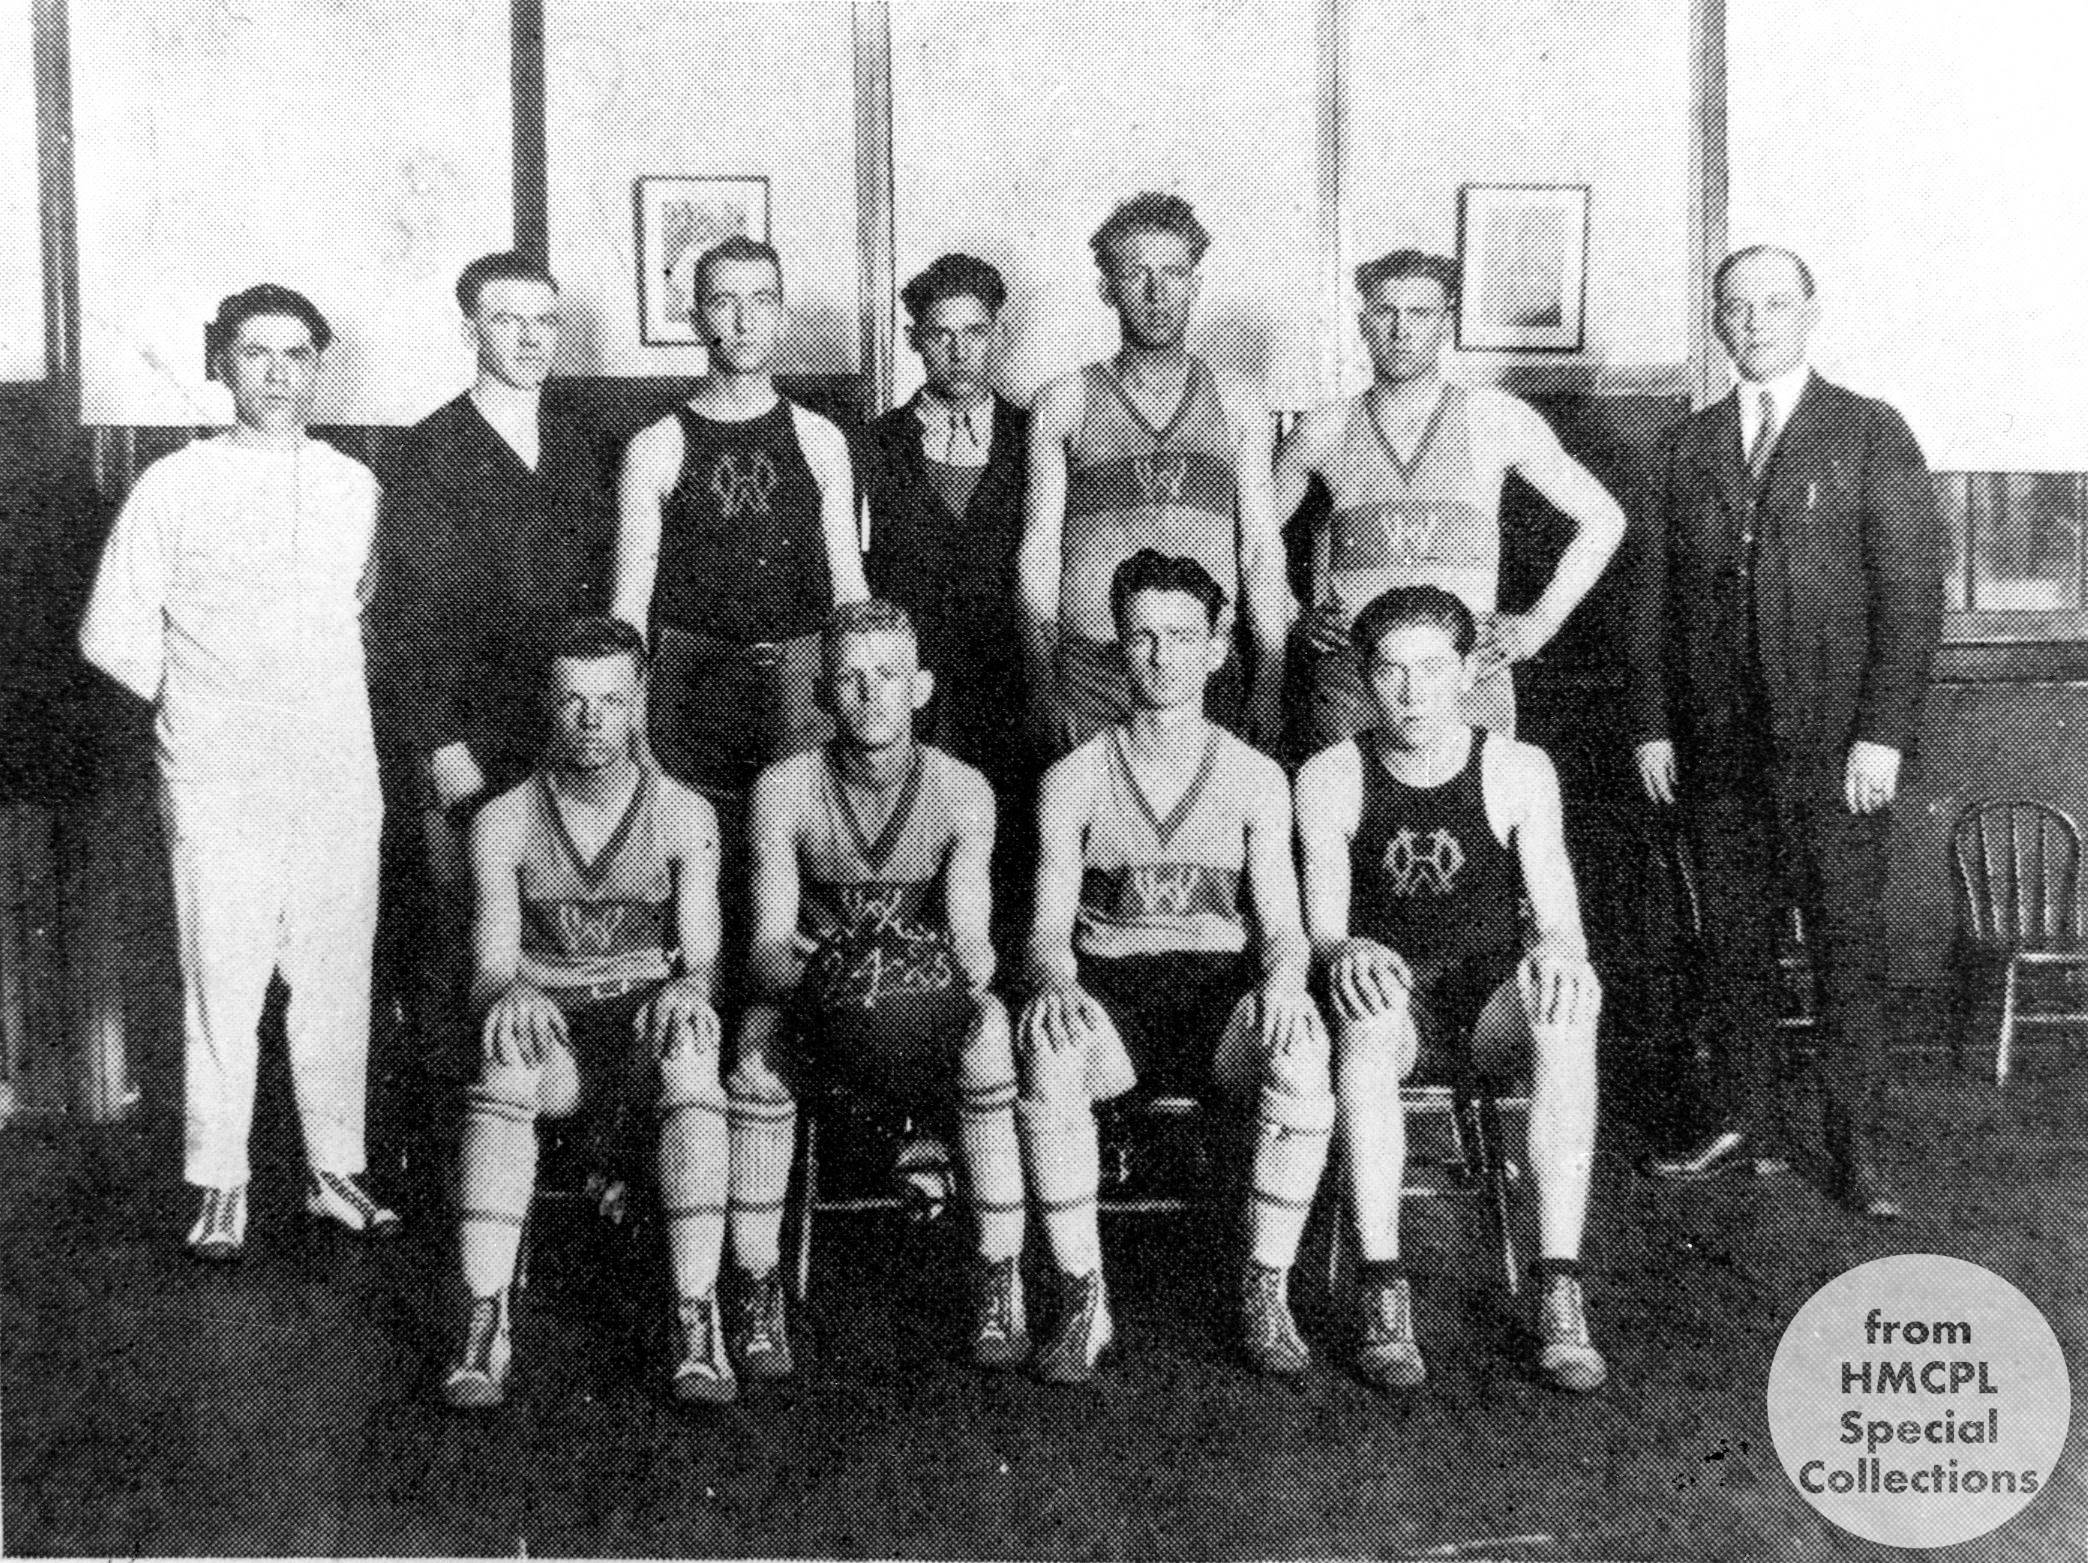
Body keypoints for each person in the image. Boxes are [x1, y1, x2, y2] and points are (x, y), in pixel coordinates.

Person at [79, 283, 400, 1259]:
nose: (277, 373)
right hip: (218, 777)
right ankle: (220, 1181)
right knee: (223, 980)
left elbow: (363, 621)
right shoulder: (172, 485)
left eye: (297, 354)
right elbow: (112, 632)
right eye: (256, 353)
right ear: (221, 363)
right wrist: (200, 710)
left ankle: (334, 1171)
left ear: (319, 367)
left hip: (335, 769)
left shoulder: (354, 486)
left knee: (335, 974)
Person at [1628, 245, 1945, 1220]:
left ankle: (1857, 1144)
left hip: (1837, 753)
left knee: (1847, 943)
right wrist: (1652, 726)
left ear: (1811, 313)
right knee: (1732, 943)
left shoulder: (1870, 431)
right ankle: (1743, 1119)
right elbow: (1651, 600)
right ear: (1717, 322)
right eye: (1736, 307)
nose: (1755, 322)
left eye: (1775, 304)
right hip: (1717, 750)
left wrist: (1882, 735)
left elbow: (1911, 598)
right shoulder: (1685, 447)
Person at [1016, 551, 1333, 1383]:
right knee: (1048, 1047)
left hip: (1219, 997)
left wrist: (1285, 983)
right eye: (1143, 637)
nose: (1162, 656)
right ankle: (1083, 1297)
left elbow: (1285, 929)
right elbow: (1046, 931)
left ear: (1218, 650)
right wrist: (1055, 980)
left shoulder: (1258, 779)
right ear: (1118, 649)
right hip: (1113, 997)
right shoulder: (1073, 778)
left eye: (1182, 637)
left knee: (1302, 1047)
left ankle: (1266, 1286)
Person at [1295, 586, 1605, 1394]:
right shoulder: (1329, 775)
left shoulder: (1519, 769)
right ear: (1364, 676)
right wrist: (1348, 946)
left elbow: (1561, 918)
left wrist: (1559, 954)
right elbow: (1323, 930)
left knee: (1567, 1008)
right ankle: (1384, 1287)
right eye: (1391, 671)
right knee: (1366, 1014)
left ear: (1468, 672)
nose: (1412, 692)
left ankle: (1559, 1286)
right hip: (1394, 1004)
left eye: (1433, 669)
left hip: (1487, 1006)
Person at [724, 599, 1023, 1376]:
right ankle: (755, 1281)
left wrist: (910, 978)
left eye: (888, 675)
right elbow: (765, 950)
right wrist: (848, 979)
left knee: (991, 1028)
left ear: (920, 687)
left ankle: (999, 1270)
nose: (870, 693)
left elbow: (975, 946)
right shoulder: (784, 788)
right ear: (822, 692)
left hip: (926, 1003)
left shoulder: (963, 790)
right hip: (816, 1001)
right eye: (850, 678)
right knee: (755, 1046)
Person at [440, 617, 731, 1408]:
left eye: (610, 700)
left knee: (692, 1046)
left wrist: (690, 987)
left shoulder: (683, 814)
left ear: (639, 701)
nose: (592, 720)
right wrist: (511, 991)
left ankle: (697, 1312)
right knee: (506, 1050)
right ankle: (484, 1318)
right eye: (573, 700)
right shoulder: (505, 819)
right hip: (556, 1031)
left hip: (641, 1028)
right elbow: (490, 968)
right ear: (549, 702)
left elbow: (704, 960)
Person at [372, 252, 611, 1161]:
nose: (530, 338)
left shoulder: (587, 441)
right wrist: (440, 741)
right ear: (469, 329)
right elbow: (406, 617)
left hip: (577, 731)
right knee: (467, 935)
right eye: (508, 320)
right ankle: (465, 1158)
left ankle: (583, 1151)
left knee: (573, 925)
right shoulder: (429, 448)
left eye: (545, 321)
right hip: (473, 735)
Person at [1272, 250, 1625, 751]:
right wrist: (1293, 614)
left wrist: (1538, 626)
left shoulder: (1495, 417)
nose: (1401, 329)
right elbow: (1254, 536)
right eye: (1386, 311)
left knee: (1480, 800)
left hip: (1467, 675)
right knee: (1348, 798)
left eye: (1420, 313)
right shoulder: (1324, 426)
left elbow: (1604, 519)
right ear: (1363, 321)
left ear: (1447, 322)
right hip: (1356, 677)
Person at [1017, 193, 1288, 758]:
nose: (1157, 291)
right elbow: (1038, 555)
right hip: (1094, 671)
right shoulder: (1064, 401)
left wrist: (1268, 681)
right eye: (1136, 273)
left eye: (1174, 273)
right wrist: (1042, 686)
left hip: (1208, 669)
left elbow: (1261, 552)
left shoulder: (1238, 404)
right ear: (1107, 289)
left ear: (1195, 284)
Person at [612, 234, 868, 824]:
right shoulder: (655, 446)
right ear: (696, 318)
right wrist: (629, 717)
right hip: (692, 687)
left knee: (801, 847)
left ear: (782, 316)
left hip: (802, 687)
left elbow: (850, 590)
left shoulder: (821, 438)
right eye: (724, 302)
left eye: (762, 301)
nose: (745, 320)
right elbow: (629, 605)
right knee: (698, 848)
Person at [856, 254, 1029, 796]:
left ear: (996, 335)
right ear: (914, 339)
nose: (959, 351)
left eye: (974, 332)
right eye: (940, 334)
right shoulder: (872, 444)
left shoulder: (1032, 438)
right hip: (907, 692)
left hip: (1009, 684)